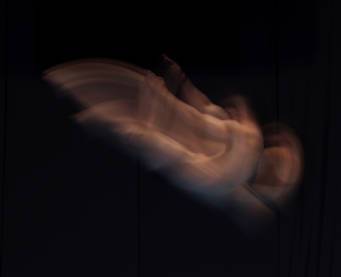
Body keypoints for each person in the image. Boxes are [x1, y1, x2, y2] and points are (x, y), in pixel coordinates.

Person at [44, 57, 303, 230]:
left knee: (110, 97)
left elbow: (187, 148)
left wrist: (179, 89)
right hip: (164, 118)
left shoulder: (241, 151)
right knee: (110, 98)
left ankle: (68, 87)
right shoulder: (242, 149)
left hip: (164, 118)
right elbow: (194, 136)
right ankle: (68, 87)